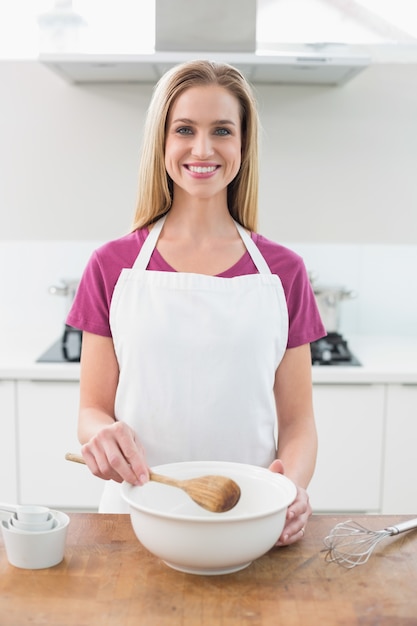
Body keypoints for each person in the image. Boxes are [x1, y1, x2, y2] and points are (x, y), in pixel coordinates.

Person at [67, 59, 326, 546]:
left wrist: (291, 487)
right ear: (161, 142)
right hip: (133, 521)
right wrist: (99, 435)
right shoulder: (111, 266)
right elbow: (92, 410)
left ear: (243, 146)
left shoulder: (283, 273)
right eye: (184, 129)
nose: (203, 149)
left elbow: (298, 422)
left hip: (248, 518)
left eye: (222, 130)